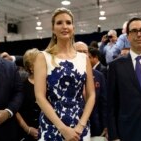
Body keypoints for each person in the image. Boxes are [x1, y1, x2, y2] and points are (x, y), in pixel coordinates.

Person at [34, 7, 95, 141]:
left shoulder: (84, 58)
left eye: (68, 22)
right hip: (52, 126)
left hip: (80, 127)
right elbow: (39, 97)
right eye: (59, 23)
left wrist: (81, 125)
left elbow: (91, 95)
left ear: (73, 27)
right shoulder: (43, 57)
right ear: (53, 28)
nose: (64, 26)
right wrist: (62, 128)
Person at [74, 41, 108, 138]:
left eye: (84, 51)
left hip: (95, 127)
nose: (81, 54)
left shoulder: (99, 76)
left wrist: (106, 125)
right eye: (78, 51)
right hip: (73, 127)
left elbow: (104, 103)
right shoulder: (66, 76)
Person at [16, 48, 41, 141]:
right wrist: (28, 129)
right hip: (29, 134)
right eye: (40, 61)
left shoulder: (51, 83)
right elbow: (16, 110)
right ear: (31, 67)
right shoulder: (21, 87)